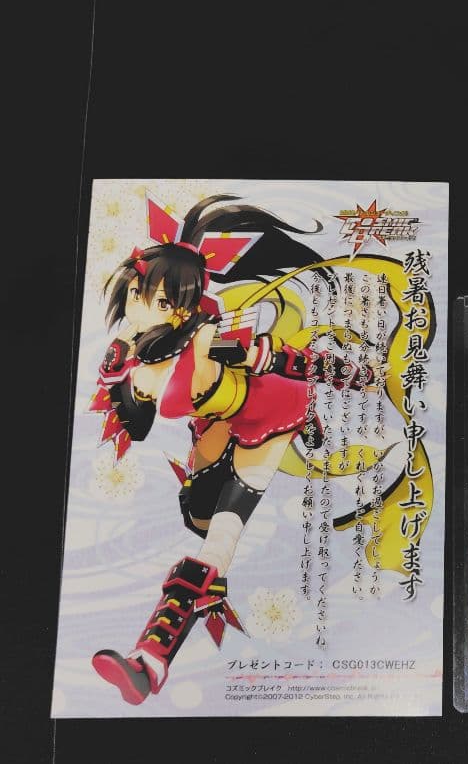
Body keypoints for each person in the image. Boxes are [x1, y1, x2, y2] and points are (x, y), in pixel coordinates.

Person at [90, 194, 383, 704]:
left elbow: (279, 359)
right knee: (196, 513)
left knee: (217, 543)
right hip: (220, 419)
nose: (138, 305)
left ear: (181, 308)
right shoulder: (130, 358)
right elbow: (138, 428)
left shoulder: (206, 338)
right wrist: (124, 386)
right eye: (137, 292)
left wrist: (353, 375)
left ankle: (150, 661)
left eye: (158, 300)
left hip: (269, 410)